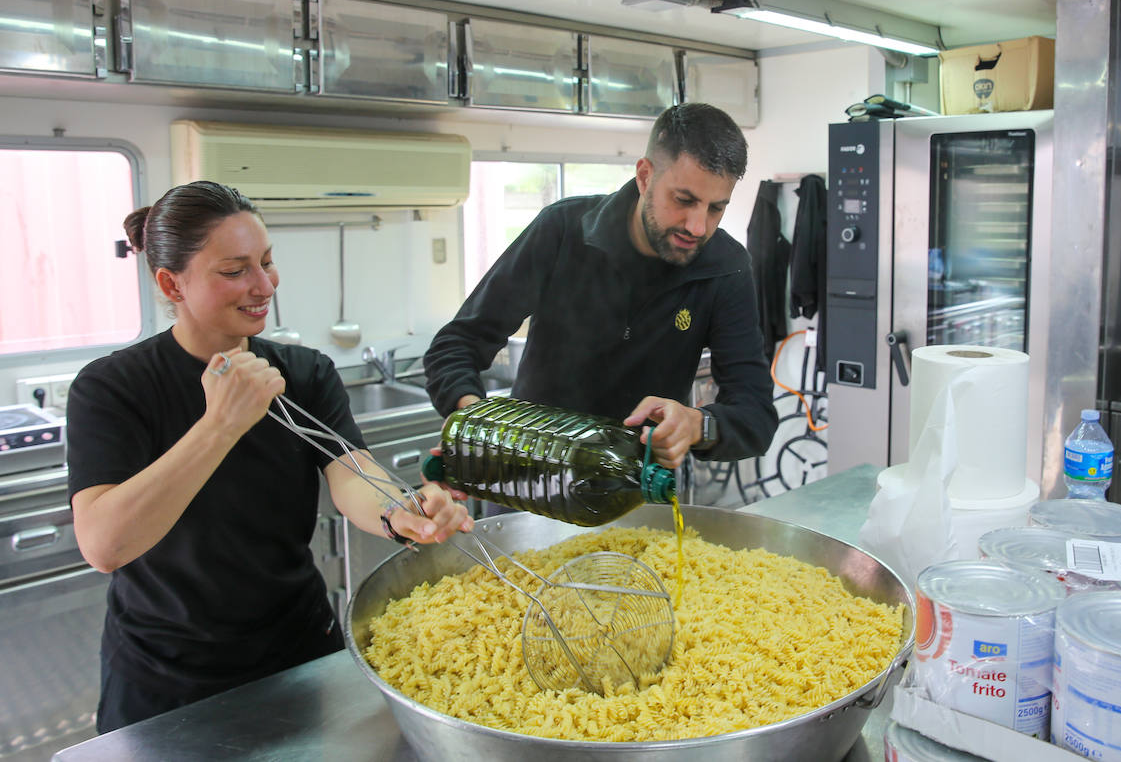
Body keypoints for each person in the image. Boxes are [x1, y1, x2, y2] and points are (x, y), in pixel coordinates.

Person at [65, 180, 472, 733]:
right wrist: (219, 425)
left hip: (296, 651)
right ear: (171, 283)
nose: (264, 286)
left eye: (267, 262)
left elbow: (352, 471)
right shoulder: (114, 387)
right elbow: (105, 545)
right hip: (166, 674)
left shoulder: (304, 373)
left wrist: (401, 509)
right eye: (234, 271)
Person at [424, 102, 779, 470]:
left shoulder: (725, 268)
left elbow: (756, 416)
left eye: (715, 209)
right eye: (684, 200)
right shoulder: (563, 231)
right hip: (529, 478)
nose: (697, 227)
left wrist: (697, 425)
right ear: (644, 177)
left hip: (637, 491)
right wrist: (476, 419)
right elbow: (457, 344)